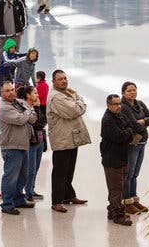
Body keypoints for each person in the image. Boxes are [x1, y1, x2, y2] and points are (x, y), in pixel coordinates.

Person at [47, 69, 90, 213]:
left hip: (70, 137)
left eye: (65, 78)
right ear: (53, 82)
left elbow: (79, 103)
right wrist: (78, 102)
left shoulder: (68, 93)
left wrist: (78, 102)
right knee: (60, 171)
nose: (64, 81)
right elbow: (75, 110)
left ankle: (68, 196)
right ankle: (57, 201)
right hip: (62, 139)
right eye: (60, 79)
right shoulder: (56, 97)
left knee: (69, 169)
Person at [0, 82, 37, 215]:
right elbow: (20, 120)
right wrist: (28, 111)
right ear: (1, 93)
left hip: (23, 145)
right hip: (11, 146)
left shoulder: (18, 102)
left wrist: (27, 112)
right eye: (7, 91)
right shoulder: (3, 107)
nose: (11, 92)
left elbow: (33, 119)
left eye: (12, 89)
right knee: (11, 176)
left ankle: (18, 199)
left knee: (23, 175)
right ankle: (7, 204)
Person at [100, 94, 136, 226]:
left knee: (121, 186)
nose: (119, 106)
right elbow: (119, 136)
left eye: (119, 103)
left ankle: (112, 210)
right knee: (116, 188)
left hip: (122, 157)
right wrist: (128, 133)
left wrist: (127, 132)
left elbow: (130, 127)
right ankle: (119, 216)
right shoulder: (108, 120)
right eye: (115, 104)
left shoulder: (119, 115)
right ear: (109, 105)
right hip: (112, 159)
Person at [120, 82, 149, 214]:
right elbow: (133, 124)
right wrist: (143, 123)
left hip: (142, 143)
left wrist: (144, 121)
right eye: (129, 91)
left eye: (134, 90)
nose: (132, 92)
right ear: (123, 93)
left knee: (135, 174)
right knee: (129, 174)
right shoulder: (123, 107)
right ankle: (127, 201)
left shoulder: (140, 104)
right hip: (133, 144)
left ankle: (134, 199)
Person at [17, 84, 46, 202]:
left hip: (39, 140)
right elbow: (35, 123)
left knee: (36, 167)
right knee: (31, 168)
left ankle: (31, 189)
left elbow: (43, 121)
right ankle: (28, 192)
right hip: (31, 141)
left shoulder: (36, 107)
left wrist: (39, 107)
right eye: (34, 93)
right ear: (28, 95)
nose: (37, 95)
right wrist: (37, 109)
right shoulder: (25, 108)